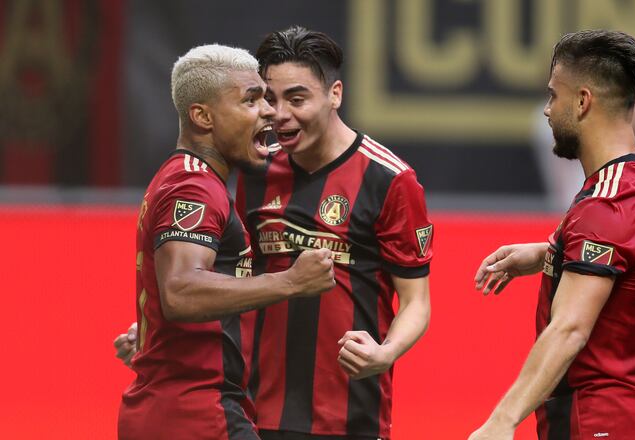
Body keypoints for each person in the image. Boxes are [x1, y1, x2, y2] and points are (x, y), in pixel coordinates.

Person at [115, 27, 433, 440]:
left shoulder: (390, 179)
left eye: (296, 99)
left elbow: (417, 301)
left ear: (335, 94)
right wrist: (163, 327)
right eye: (267, 98)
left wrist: (385, 353)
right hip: (254, 408)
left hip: (348, 414)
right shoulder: (256, 168)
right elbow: (228, 272)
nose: (278, 114)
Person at [469, 30, 635, 440]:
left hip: (596, 420)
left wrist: (501, 421)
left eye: (554, 96)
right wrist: (544, 254)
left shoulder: (606, 204)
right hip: (630, 412)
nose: (548, 111)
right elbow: (631, 261)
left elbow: (569, 328)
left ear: (583, 101)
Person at [117, 44, 336, 440]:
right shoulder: (193, 187)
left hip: (174, 410)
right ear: (203, 116)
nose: (269, 112)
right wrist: (292, 281)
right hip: (197, 415)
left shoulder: (187, 178)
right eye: (251, 101)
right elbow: (180, 291)